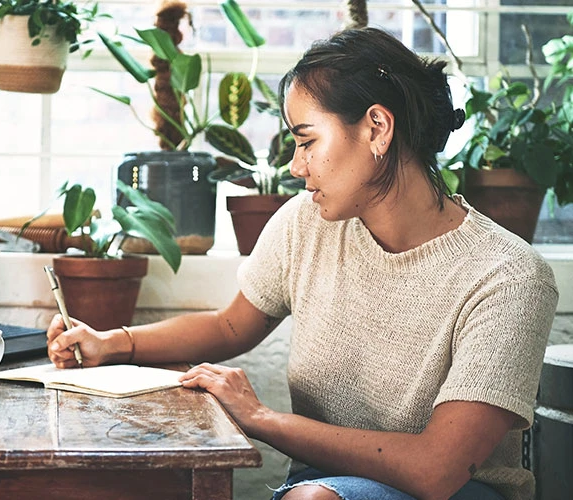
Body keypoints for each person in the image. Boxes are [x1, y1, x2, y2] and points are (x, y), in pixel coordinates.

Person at [46, 27, 557, 500]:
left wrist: (261, 418)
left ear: (377, 128)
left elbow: (436, 469)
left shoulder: (508, 277)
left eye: (307, 140)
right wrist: (115, 343)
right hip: (320, 485)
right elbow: (230, 325)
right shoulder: (307, 222)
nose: (294, 166)